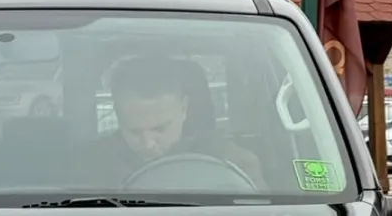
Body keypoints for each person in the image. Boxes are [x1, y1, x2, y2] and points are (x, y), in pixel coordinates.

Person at [73, 54, 268, 190]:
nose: (148, 143)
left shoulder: (229, 161)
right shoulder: (88, 170)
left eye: (160, 128)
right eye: (134, 131)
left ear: (184, 109)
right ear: (117, 113)